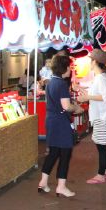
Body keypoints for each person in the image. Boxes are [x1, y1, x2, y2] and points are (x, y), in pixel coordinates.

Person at [37, 55, 83, 197]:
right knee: (65, 154)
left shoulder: (51, 82)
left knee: (53, 152)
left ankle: (43, 182)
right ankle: (61, 186)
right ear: (65, 68)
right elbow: (66, 106)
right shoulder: (62, 84)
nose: (71, 69)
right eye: (69, 67)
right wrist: (76, 108)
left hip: (51, 120)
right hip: (61, 123)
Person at [77, 49, 106, 184]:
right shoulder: (99, 77)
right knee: (102, 145)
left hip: (103, 117)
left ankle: (100, 175)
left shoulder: (101, 78)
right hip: (102, 116)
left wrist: (87, 96)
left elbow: (103, 97)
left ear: (94, 62)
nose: (89, 62)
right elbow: (95, 94)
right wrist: (83, 91)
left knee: (101, 146)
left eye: (90, 60)